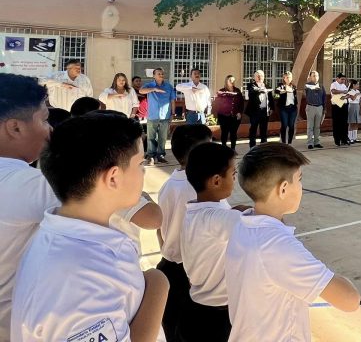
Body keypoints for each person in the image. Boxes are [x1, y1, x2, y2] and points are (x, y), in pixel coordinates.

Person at [12, 112, 168, 342]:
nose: (143, 173)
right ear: (113, 177)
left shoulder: (89, 238)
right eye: (140, 164)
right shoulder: (75, 278)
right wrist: (158, 283)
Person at [225, 143, 360, 341]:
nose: (301, 187)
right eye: (299, 179)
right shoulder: (277, 246)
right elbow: (349, 300)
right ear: (284, 188)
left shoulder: (243, 224)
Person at [0, 74, 58, 342]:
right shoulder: (27, 183)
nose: (50, 130)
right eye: (44, 120)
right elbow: (140, 212)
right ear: (15, 128)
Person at [178, 142, 248, 342]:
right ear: (216, 181)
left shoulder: (197, 211)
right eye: (233, 174)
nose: (235, 180)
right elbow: (261, 225)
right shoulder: (216, 219)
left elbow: (227, 216)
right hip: (215, 319)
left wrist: (237, 210)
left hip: (196, 308)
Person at [157, 124, 213, 342]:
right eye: (209, 148)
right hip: (189, 273)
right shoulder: (198, 189)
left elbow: (160, 231)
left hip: (170, 264)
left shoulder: (169, 184)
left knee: (174, 329)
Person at [140, 68, 176, 165]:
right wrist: (154, 89)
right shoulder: (149, 85)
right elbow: (141, 91)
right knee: (151, 137)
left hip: (165, 116)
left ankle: (160, 155)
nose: (161, 75)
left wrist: (173, 114)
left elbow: (172, 101)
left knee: (163, 137)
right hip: (152, 115)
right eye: (158, 73)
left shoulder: (169, 86)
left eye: (162, 74)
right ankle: (151, 156)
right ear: (154, 75)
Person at [215, 75, 244, 151]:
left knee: (233, 133)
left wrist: (239, 112)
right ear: (226, 81)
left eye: (233, 80)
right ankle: (224, 148)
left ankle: (233, 149)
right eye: (230, 80)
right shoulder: (222, 91)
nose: (232, 82)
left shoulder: (237, 90)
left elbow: (241, 103)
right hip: (224, 116)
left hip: (234, 116)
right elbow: (217, 103)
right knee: (224, 133)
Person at [245, 70, 272, 147]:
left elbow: (270, 98)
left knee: (263, 130)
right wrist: (261, 90)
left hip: (264, 111)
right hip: (254, 112)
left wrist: (272, 108)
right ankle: (252, 147)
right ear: (255, 77)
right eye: (258, 76)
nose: (260, 77)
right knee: (253, 129)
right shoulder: (251, 85)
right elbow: (251, 92)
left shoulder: (267, 86)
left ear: (264, 77)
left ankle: (263, 146)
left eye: (261, 76)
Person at [275, 71, 298, 145]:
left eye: (290, 77)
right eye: (287, 77)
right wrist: (283, 91)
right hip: (284, 108)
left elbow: (295, 97)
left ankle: (290, 142)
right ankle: (283, 142)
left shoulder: (294, 86)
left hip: (292, 108)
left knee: (291, 125)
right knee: (284, 125)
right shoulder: (281, 85)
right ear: (284, 78)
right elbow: (276, 92)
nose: (288, 79)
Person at [304, 71, 325, 150]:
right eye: (314, 76)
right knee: (310, 126)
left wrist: (324, 108)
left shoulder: (321, 86)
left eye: (317, 75)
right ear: (310, 77)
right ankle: (310, 142)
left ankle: (317, 142)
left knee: (317, 126)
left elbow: (324, 97)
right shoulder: (307, 85)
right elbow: (304, 90)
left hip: (319, 107)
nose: (315, 77)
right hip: (311, 107)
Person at [330, 73, 350, 146]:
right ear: (337, 79)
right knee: (337, 123)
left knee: (344, 123)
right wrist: (342, 92)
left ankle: (344, 139)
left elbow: (345, 94)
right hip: (336, 105)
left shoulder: (344, 85)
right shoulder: (334, 84)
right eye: (341, 79)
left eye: (344, 79)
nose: (343, 81)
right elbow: (333, 91)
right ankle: (337, 140)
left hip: (344, 104)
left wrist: (347, 96)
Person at [346, 80, 361, 144]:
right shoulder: (350, 92)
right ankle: (350, 138)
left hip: (357, 106)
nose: (358, 86)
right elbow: (352, 98)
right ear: (353, 85)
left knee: (356, 122)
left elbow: (360, 100)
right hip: (352, 106)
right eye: (357, 84)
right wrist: (356, 94)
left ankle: (355, 138)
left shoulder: (358, 91)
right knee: (351, 122)